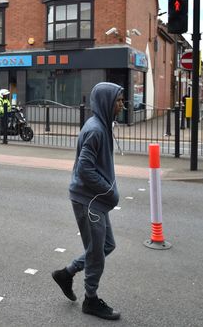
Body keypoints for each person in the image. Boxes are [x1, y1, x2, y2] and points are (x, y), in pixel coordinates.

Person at [51, 82, 124, 321]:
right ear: (106, 102)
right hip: (88, 200)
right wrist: (109, 192)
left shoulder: (101, 126)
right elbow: (84, 169)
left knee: (106, 245)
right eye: (118, 100)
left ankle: (67, 273)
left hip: (94, 200)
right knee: (96, 253)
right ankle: (91, 300)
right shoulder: (96, 130)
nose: (121, 104)